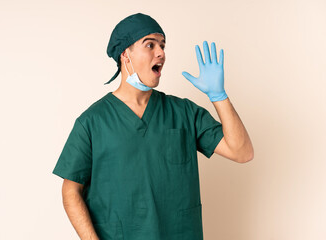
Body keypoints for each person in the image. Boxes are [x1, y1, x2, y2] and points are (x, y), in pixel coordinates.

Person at [52, 13, 254, 240]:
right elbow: (71, 191)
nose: (161, 53)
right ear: (125, 54)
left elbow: (242, 152)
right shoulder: (93, 121)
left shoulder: (184, 112)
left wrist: (219, 96)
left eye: (163, 45)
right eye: (150, 44)